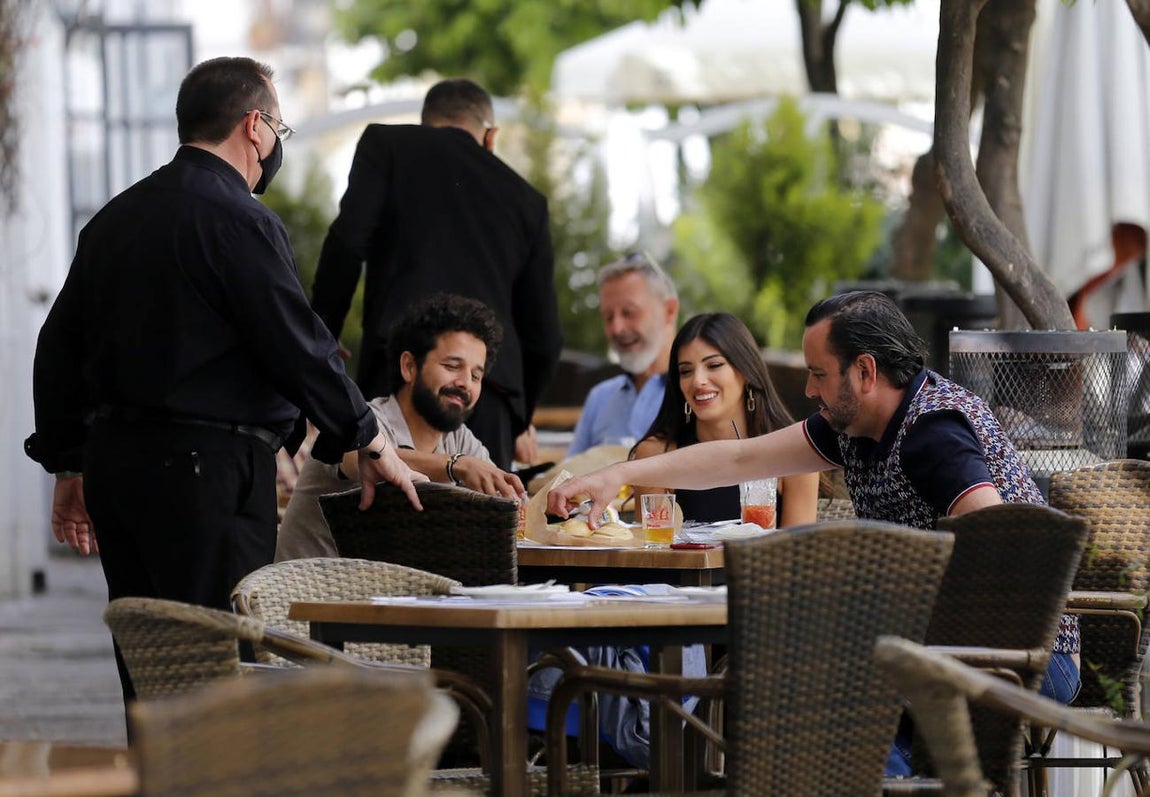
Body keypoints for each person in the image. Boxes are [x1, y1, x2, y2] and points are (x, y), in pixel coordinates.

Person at [23, 57, 425, 701]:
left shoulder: (113, 220)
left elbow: (57, 346)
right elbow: (298, 343)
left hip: (117, 473)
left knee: (151, 672)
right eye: (279, 129)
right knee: (220, 674)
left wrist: (70, 467)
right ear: (255, 126)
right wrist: (369, 437)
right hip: (204, 476)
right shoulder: (238, 219)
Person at [548, 291, 1080, 766]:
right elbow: (737, 460)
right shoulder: (855, 423)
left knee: (824, 733)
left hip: (1020, 658)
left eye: (818, 373)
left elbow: (999, 545)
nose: (806, 389)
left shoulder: (932, 433)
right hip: (936, 652)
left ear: (865, 373)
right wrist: (616, 475)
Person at [309, 78, 562, 471]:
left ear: (427, 123)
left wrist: (321, 333)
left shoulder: (387, 146)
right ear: (490, 136)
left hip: (401, 371)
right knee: (483, 523)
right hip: (487, 390)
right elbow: (544, 335)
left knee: (381, 516)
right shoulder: (527, 199)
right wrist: (517, 412)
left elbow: (346, 243)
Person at [276, 293, 525, 560]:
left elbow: (500, 509)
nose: (466, 382)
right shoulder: (362, 422)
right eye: (453, 366)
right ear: (409, 366)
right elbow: (355, 455)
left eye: (476, 375)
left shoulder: (462, 441)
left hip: (392, 597)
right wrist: (457, 465)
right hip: (309, 596)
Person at [631, 312, 819, 525]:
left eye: (714, 365)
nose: (698, 381)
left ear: (746, 370)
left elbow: (797, 554)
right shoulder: (657, 454)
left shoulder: (792, 454)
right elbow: (655, 552)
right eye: (686, 371)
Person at [566, 251, 680, 457]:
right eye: (608, 317)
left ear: (669, 311)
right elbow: (566, 479)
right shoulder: (599, 398)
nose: (617, 328)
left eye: (629, 312)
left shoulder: (697, 392)